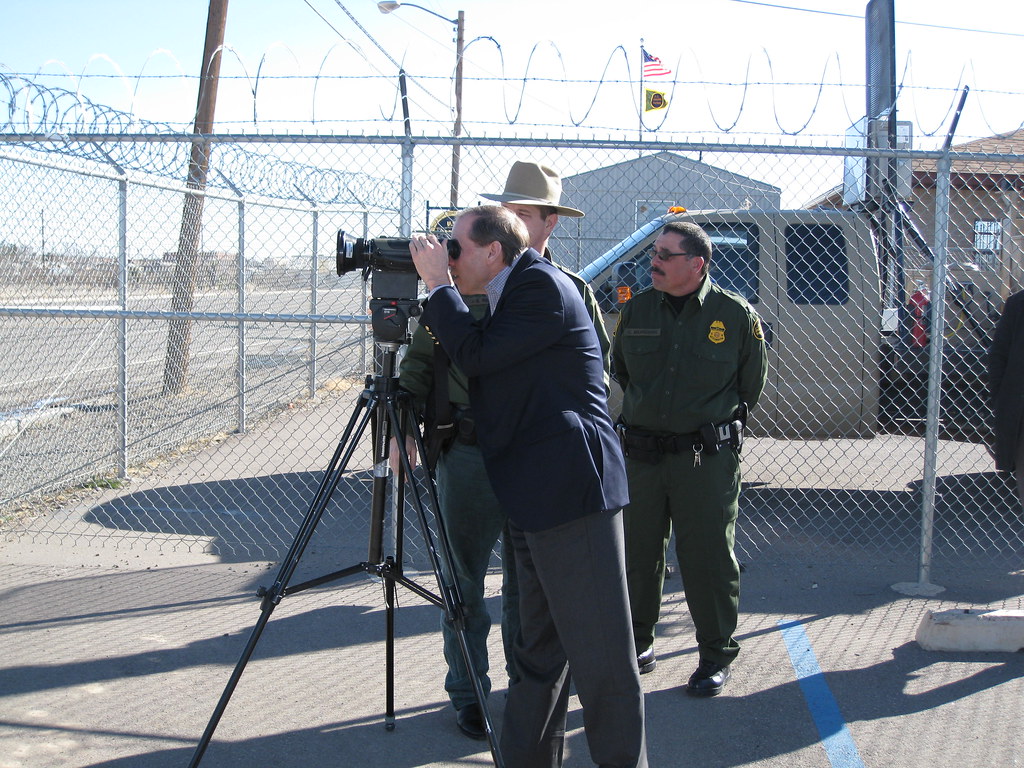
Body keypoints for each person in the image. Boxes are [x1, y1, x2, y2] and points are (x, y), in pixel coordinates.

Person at [409, 205, 647, 768]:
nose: (449, 257)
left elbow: (476, 356)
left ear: (494, 252)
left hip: (570, 496)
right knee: (537, 654)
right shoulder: (509, 292)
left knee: (604, 661)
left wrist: (438, 286)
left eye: (457, 248)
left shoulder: (541, 286)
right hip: (535, 496)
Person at [394, 161, 605, 741]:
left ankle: (527, 692)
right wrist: (402, 425)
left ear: (548, 225)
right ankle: (468, 693)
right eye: (505, 209)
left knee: (529, 587)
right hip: (468, 453)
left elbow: (592, 378)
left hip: (534, 460)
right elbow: (418, 363)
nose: (512, 219)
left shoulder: (567, 290)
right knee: (461, 580)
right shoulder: (458, 284)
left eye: (527, 212)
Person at [611, 220, 767, 697]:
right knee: (637, 554)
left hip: (705, 460)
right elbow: (621, 372)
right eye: (652, 252)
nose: (652, 262)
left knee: (708, 559)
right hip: (641, 456)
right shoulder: (635, 311)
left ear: (696, 264)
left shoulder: (736, 316)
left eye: (664, 255)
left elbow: (749, 387)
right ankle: (639, 642)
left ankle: (716, 655)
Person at [481, 160, 611, 373]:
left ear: (549, 223)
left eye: (522, 214)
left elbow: (596, 370)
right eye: (505, 212)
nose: (509, 224)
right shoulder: (472, 279)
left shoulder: (573, 289)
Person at [988, 287, 1024, 509]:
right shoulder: (1018, 304)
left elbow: (998, 357)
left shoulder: (1018, 303)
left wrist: (1003, 399)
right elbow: (998, 357)